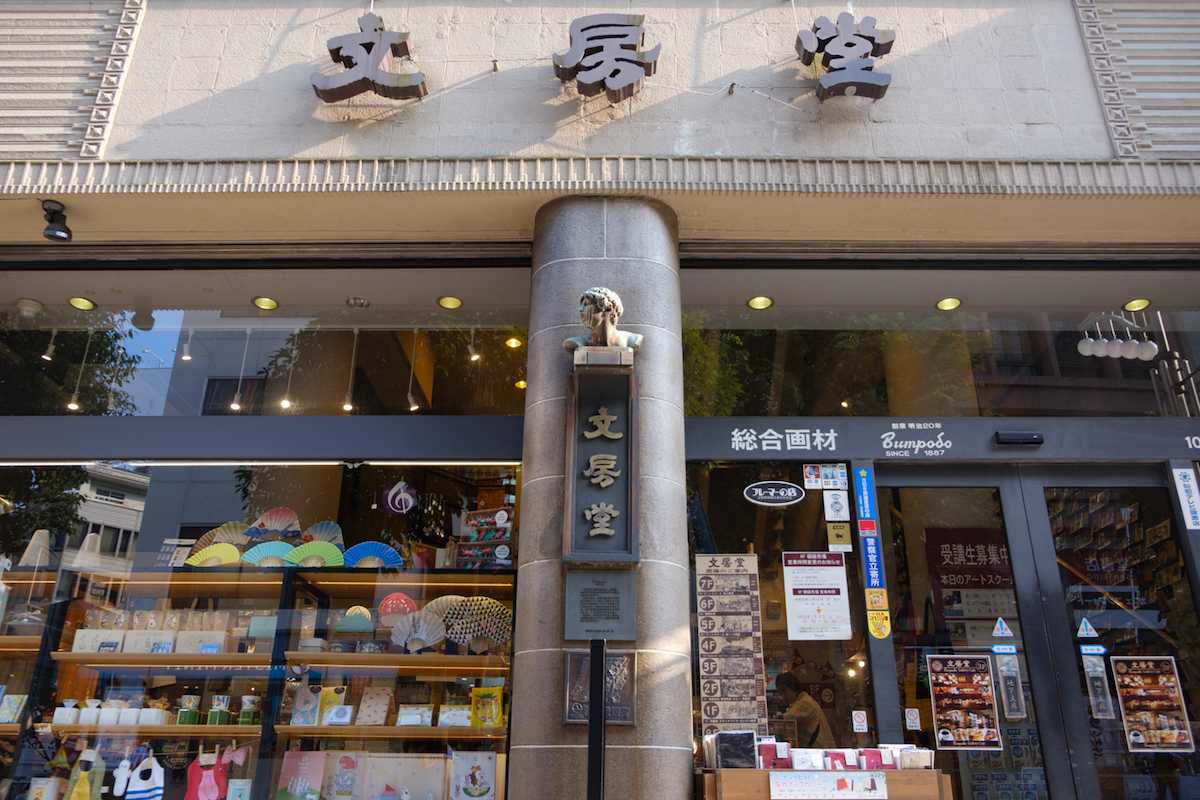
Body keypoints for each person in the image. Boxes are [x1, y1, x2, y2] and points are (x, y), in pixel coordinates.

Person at [775, 671, 836, 749]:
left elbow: (787, 718)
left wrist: (772, 721)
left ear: (793, 687)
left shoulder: (804, 702)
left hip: (816, 750)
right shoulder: (801, 700)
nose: (783, 695)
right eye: (780, 692)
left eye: (784, 690)